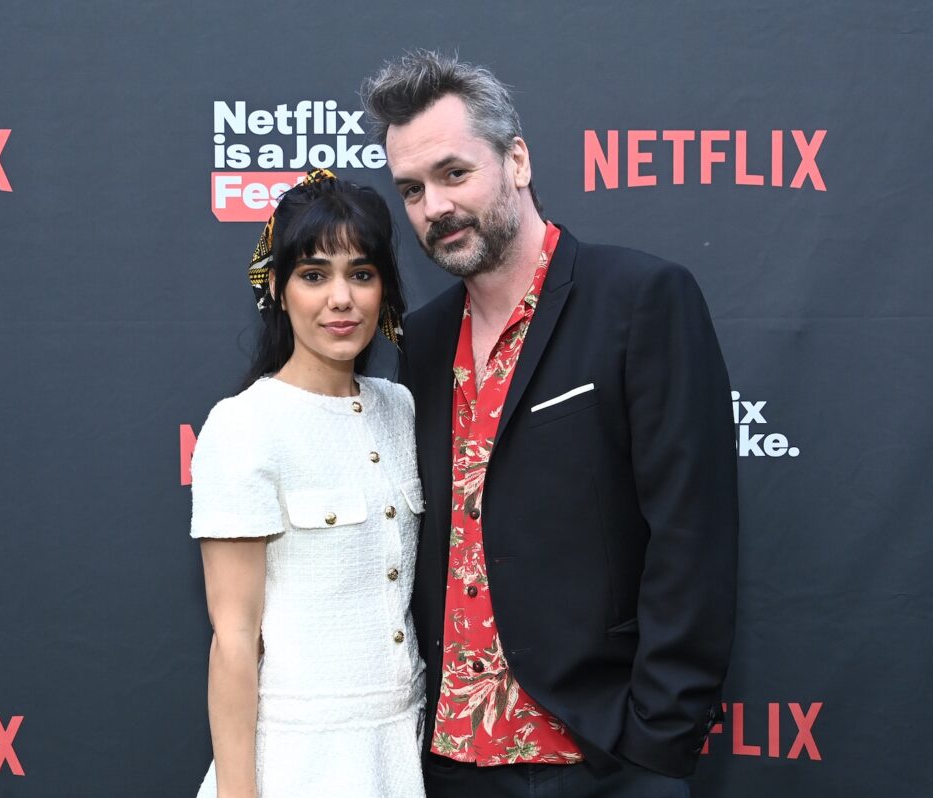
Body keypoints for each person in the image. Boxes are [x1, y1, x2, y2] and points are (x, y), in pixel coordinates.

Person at [360, 52, 739, 797]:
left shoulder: (639, 300)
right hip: (450, 762)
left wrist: (654, 750)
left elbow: (692, 539)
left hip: (596, 757)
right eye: (412, 189)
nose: (434, 206)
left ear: (519, 161)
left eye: (454, 173)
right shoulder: (425, 340)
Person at [190, 170, 425, 798]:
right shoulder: (244, 425)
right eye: (314, 275)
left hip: (405, 749)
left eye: (362, 273)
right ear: (277, 287)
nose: (341, 298)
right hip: (299, 759)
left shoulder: (401, 408)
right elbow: (235, 638)